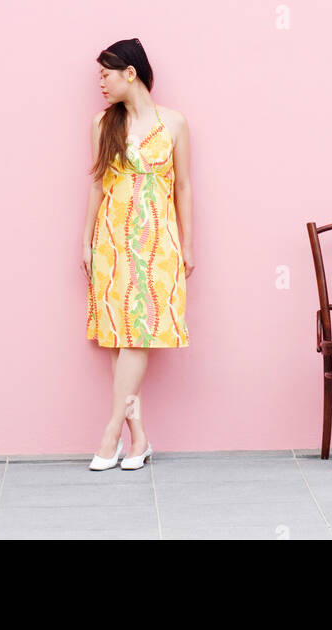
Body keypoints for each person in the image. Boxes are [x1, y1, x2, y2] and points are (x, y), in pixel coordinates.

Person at [82, 37, 193, 470]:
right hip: (111, 238)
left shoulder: (175, 123)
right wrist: (86, 242)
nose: (102, 85)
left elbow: (183, 186)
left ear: (131, 73)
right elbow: (95, 184)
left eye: (106, 76)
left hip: (156, 242)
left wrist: (187, 244)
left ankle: (111, 432)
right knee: (118, 336)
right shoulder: (101, 125)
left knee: (137, 335)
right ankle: (140, 439)